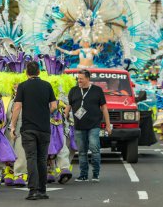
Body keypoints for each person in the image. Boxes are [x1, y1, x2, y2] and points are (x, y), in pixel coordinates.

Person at [10, 61, 57, 200]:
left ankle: (33, 190)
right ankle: (42, 190)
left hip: (29, 129)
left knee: (31, 158)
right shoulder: (47, 85)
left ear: (26, 72)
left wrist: (12, 126)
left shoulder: (23, 86)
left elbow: (17, 107)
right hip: (44, 129)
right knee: (42, 159)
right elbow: (54, 105)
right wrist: (44, 112)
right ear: (39, 72)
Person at [64, 69, 111, 182]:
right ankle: (83, 174)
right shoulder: (73, 90)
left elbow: (104, 108)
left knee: (94, 149)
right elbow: (68, 107)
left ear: (88, 78)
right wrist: (63, 119)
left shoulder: (97, 90)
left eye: (81, 78)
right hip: (79, 126)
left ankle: (96, 174)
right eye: (78, 78)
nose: (79, 80)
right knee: (81, 151)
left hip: (94, 125)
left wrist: (108, 125)